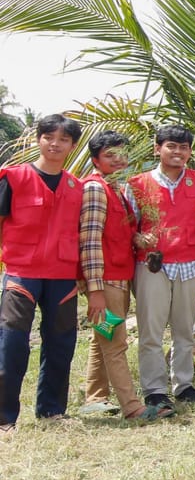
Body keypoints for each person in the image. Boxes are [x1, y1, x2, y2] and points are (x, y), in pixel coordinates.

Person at [77, 131, 173, 422]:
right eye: (109, 155)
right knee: (116, 341)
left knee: (102, 337)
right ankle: (133, 408)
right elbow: (90, 241)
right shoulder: (95, 189)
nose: (118, 160)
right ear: (95, 160)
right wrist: (94, 289)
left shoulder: (116, 189)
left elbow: (115, 233)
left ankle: (95, 397)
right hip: (106, 280)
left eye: (121, 153)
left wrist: (138, 239)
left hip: (119, 276)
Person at [0, 114, 84, 430]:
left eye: (63, 139)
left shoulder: (77, 187)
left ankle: (52, 412)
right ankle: (4, 418)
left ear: (72, 146)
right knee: (11, 344)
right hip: (21, 273)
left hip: (63, 275)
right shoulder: (13, 177)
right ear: (39, 138)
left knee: (61, 344)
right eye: (50, 137)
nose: (55, 144)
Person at [126, 124, 195, 408]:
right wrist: (140, 238)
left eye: (184, 147)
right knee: (151, 331)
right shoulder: (137, 184)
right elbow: (127, 229)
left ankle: (184, 384)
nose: (178, 152)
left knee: (184, 330)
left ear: (190, 151)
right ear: (158, 148)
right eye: (171, 146)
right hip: (152, 266)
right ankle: (154, 389)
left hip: (190, 265)